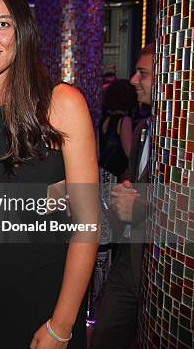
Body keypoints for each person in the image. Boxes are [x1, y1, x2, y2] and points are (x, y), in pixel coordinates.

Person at [0, 0, 99, 348]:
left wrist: (61, 324)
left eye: (2, 24)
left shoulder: (60, 104)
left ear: (22, 31)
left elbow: (88, 223)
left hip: (45, 302)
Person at [90, 43, 155, 349]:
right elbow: (130, 167)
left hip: (152, 259)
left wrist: (138, 202)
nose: (133, 80)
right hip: (128, 255)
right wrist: (125, 186)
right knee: (105, 334)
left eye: (142, 73)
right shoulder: (141, 128)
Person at [98, 79, 137, 180]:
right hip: (116, 177)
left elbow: (98, 152)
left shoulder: (103, 120)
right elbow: (130, 154)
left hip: (102, 174)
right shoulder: (124, 121)